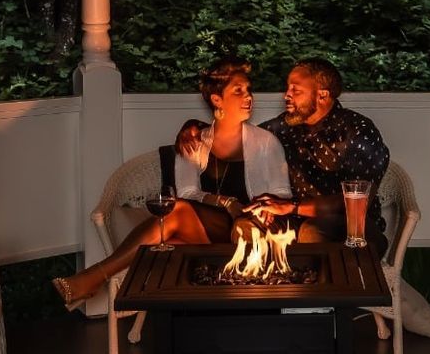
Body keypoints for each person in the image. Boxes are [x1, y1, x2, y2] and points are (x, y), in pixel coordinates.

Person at [51, 57, 291, 310]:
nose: (248, 96)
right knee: (173, 220)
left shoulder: (265, 142)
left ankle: (92, 278)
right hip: (208, 229)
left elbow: (281, 193)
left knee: (176, 230)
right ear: (216, 99)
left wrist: (258, 209)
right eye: (238, 91)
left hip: (250, 229)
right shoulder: (193, 141)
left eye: (249, 90)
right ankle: (98, 281)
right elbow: (188, 192)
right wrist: (224, 202)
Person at [240, 58, 390, 250]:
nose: (287, 95)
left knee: (312, 231)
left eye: (296, 90)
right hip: (295, 220)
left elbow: (357, 203)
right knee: (245, 226)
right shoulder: (284, 127)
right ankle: (274, 278)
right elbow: (241, 137)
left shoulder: (358, 131)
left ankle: (325, 279)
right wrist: (197, 129)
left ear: (322, 95)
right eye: (287, 88)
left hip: (354, 228)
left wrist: (292, 206)